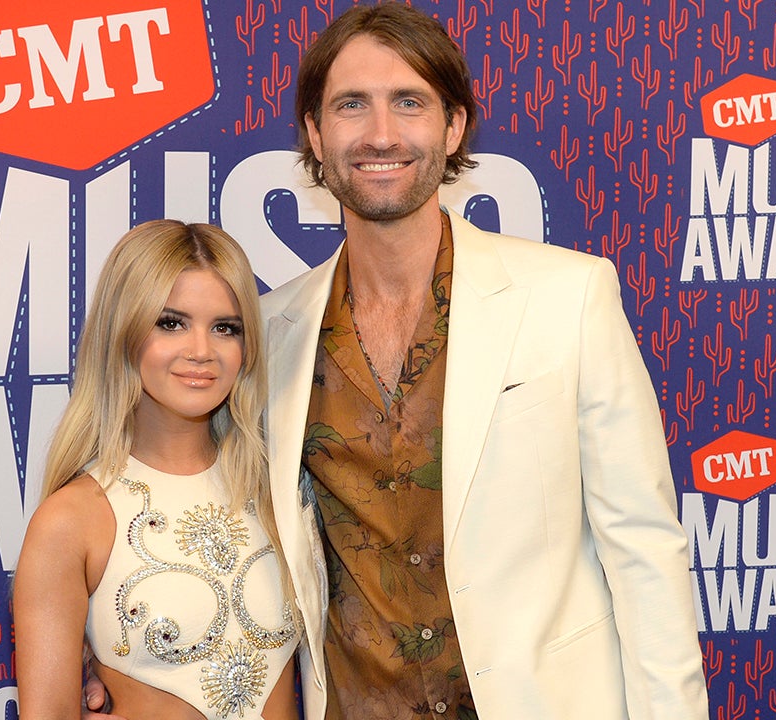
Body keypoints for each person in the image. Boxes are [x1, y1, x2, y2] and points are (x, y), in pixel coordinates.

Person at [259, 3, 709, 719]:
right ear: (315, 133)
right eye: (351, 105)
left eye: (409, 102)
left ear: (454, 126)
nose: (381, 134)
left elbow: (643, 550)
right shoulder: (268, 334)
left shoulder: (568, 295)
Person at [13, 220, 300, 720]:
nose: (201, 351)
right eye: (171, 322)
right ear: (123, 331)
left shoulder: (280, 493)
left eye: (225, 328)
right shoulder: (73, 519)